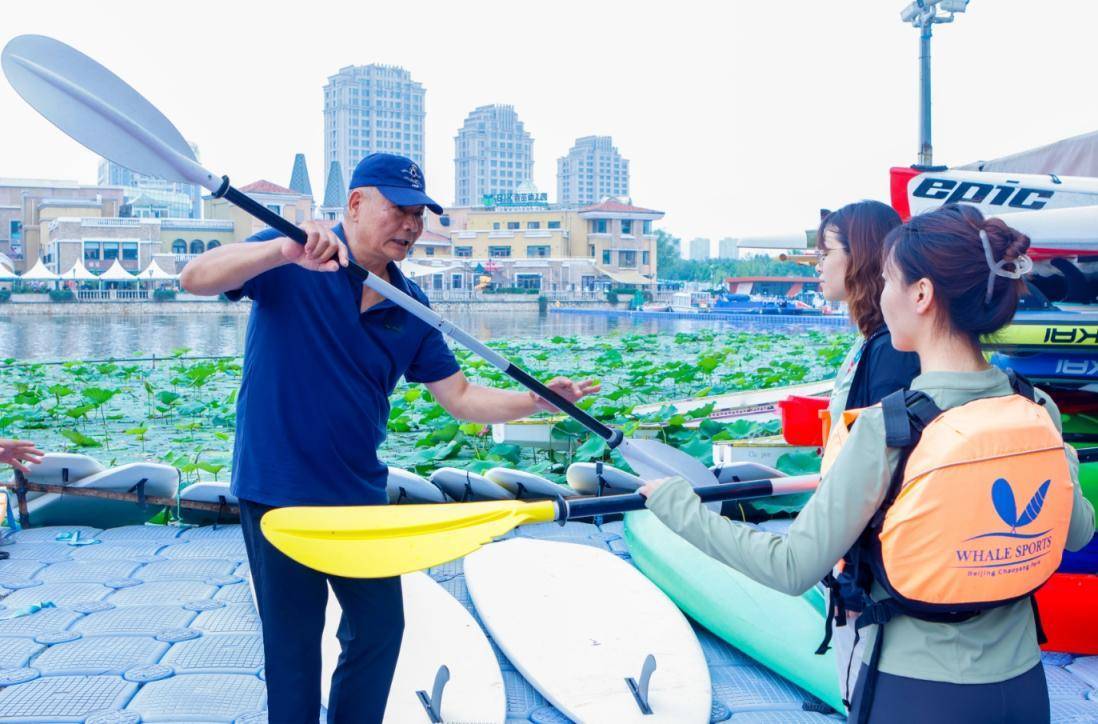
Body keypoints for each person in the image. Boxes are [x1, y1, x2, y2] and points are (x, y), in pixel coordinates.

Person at [180, 153, 598, 723]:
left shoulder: (411, 307)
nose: (411, 225)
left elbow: (460, 397)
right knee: (293, 645)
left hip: (356, 493)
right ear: (355, 203)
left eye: (419, 215)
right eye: (398, 209)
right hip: (275, 486)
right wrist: (282, 250)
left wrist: (536, 400)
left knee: (379, 630)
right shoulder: (293, 253)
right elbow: (195, 278)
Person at [640, 203, 1095, 724]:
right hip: (1023, 687)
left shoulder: (888, 428)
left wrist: (678, 507)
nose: (880, 295)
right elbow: (1078, 532)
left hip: (918, 693)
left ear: (921, 295)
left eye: (886, 281)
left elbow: (791, 567)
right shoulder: (1037, 407)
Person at [814, 201, 920, 698]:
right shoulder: (871, 341)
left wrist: (853, 576)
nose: (817, 263)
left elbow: (887, 473)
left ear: (860, 258)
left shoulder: (888, 351)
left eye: (825, 250)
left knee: (863, 692)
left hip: (871, 571)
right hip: (853, 556)